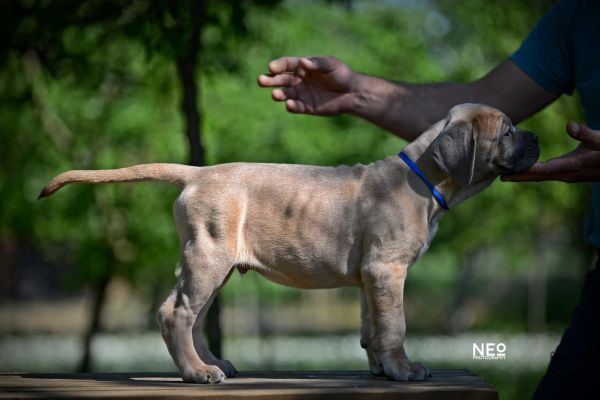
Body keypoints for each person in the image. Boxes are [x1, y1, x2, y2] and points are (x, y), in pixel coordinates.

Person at [258, 1, 599, 398]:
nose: (518, 137)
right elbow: (477, 106)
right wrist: (358, 93)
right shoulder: (579, 16)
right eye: (508, 134)